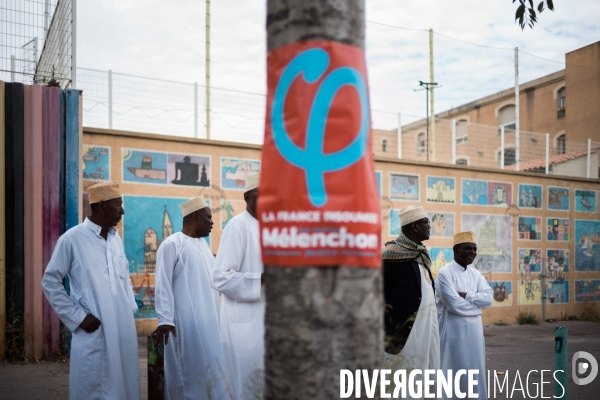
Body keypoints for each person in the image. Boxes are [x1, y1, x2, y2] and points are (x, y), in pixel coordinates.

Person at [41, 182, 140, 400]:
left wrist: (127, 314)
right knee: (93, 386)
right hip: (94, 328)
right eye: (119, 205)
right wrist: (77, 317)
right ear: (103, 206)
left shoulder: (116, 240)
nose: (122, 211)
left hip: (122, 328)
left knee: (125, 384)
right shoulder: (72, 239)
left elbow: (123, 281)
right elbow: (50, 281)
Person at [154, 196, 230, 399]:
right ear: (195, 217)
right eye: (208, 218)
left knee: (211, 372)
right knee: (185, 375)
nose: (212, 223)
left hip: (210, 323)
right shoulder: (172, 244)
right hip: (183, 326)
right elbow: (162, 283)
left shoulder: (203, 246)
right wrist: (165, 319)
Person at [213, 173, 264, 400]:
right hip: (245, 326)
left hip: (268, 324)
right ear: (248, 197)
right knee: (246, 386)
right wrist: (262, 280)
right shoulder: (238, 226)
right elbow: (221, 278)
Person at [382, 205, 439, 375]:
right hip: (405, 331)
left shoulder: (420, 254)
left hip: (427, 327)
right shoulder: (392, 255)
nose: (430, 226)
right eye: (426, 222)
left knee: (424, 375)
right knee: (404, 378)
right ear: (414, 226)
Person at [436, 231, 493, 400]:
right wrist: (477, 307)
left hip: (474, 334)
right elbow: (453, 304)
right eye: (467, 248)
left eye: (474, 249)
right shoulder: (444, 273)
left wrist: (468, 295)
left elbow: (488, 299)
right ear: (456, 250)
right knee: (453, 371)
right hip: (453, 333)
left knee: (475, 370)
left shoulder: (475, 274)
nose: (472, 252)